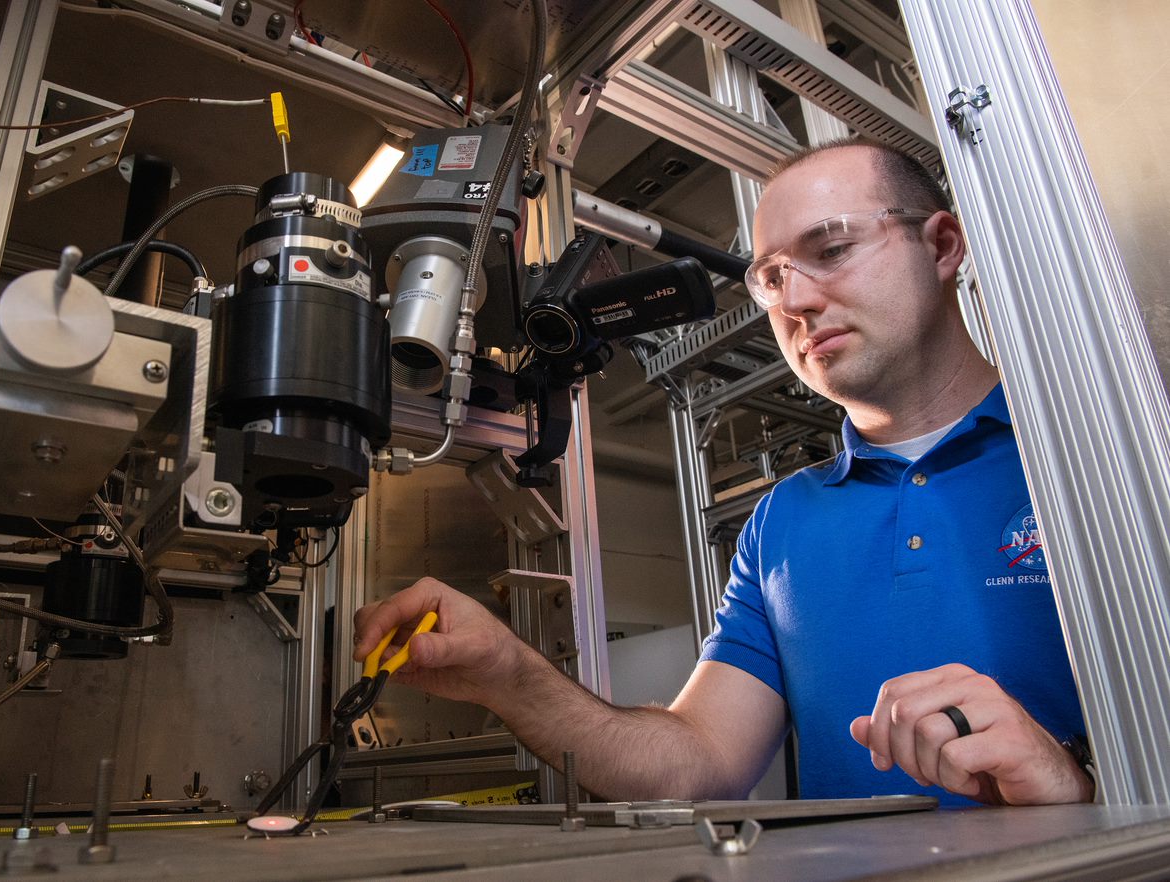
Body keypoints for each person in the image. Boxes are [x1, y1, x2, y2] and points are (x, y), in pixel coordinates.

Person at [353, 137, 1094, 808]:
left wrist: (1081, 781)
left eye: (831, 248)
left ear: (940, 246)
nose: (797, 301)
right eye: (772, 277)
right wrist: (505, 672)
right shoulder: (783, 523)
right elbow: (695, 763)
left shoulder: (1097, 456)